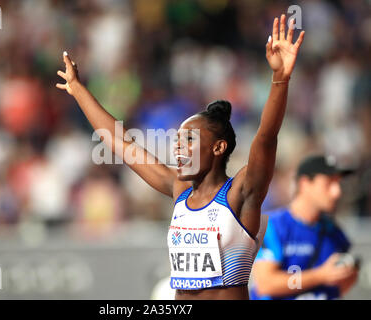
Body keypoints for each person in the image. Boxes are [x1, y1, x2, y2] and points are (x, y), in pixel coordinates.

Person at [56, 15, 304, 300]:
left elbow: (266, 136)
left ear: (218, 148)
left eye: (188, 140)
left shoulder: (241, 192)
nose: (177, 148)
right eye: (176, 141)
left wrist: (280, 79)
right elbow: (121, 143)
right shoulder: (180, 190)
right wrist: (78, 90)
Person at [250, 155, 359, 300]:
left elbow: (339, 287)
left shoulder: (334, 231)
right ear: (305, 183)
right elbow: (266, 284)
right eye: (329, 183)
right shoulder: (273, 226)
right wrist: (320, 276)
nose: (337, 192)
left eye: (338, 183)